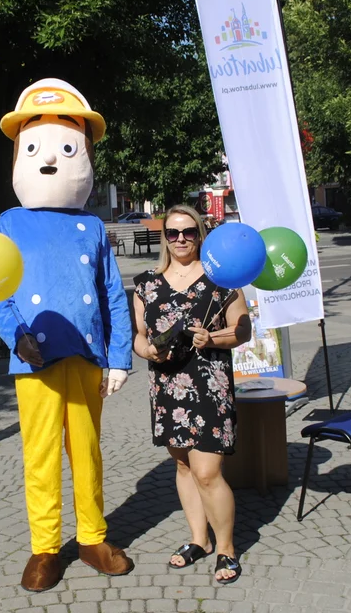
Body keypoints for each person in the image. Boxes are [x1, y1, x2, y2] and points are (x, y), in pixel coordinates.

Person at [0, 78, 134, 592]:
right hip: (35, 358)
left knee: (87, 450)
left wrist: (118, 359)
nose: (50, 161)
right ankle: (45, 547)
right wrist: (15, 335)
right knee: (42, 453)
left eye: (66, 150)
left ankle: (93, 536)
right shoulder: (10, 222)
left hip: (87, 356)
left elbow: (113, 294)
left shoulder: (92, 227)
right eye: (37, 150)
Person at [132, 204, 251, 584]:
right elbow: (138, 334)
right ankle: (199, 540)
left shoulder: (223, 278)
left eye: (189, 232)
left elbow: (243, 329)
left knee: (207, 471)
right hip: (167, 387)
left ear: (201, 235)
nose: (181, 239)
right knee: (183, 466)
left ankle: (226, 548)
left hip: (209, 385)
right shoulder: (146, 284)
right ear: (164, 237)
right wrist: (146, 350)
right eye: (173, 233)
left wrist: (212, 337)